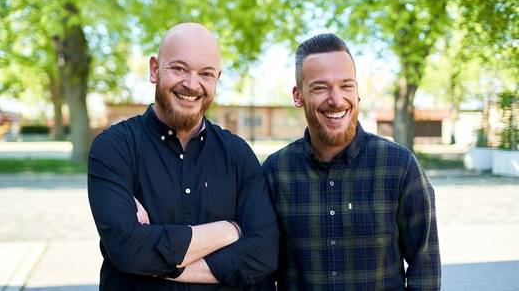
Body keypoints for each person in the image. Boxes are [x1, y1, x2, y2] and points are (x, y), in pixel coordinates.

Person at [88, 23, 279, 290]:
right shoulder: (114, 147)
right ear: (155, 69)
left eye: (206, 73)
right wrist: (230, 230)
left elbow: (265, 252)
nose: (192, 84)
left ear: (217, 79)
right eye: (178, 68)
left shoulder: (238, 154)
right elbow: (126, 248)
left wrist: (161, 263)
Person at [262, 33, 441, 290]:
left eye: (346, 85)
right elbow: (263, 272)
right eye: (320, 87)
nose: (336, 100)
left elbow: (425, 269)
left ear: (357, 92)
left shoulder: (400, 167)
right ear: (298, 95)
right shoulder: (274, 173)